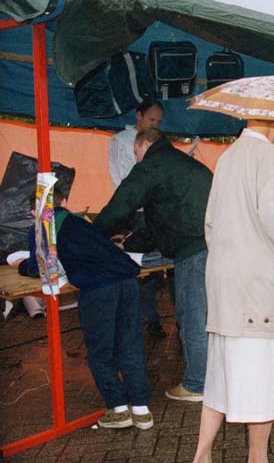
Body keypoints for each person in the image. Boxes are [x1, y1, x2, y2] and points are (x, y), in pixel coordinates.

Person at [192, 120, 274, 463]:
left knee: (219, 378)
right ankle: (258, 458)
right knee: (263, 384)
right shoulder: (273, 159)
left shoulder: (228, 157)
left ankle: (202, 455)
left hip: (224, 285)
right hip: (259, 291)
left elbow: (210, 224)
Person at [19, 185, 152, 429]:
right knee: (129, 344)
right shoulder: (79, 221)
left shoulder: (43, 227)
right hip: (127, 280)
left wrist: (21, 266)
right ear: (65, 202)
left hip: (99, 288)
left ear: (34, 211)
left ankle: (118, 409)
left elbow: (37, 266)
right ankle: (142, 410)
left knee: (100, 351)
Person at [95, 129, 213, 402]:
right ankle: (211, 375)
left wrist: (94, 236)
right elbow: (161, 221)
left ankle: (197, 384)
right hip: (213, 241)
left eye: (136, 154)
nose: (136, 160)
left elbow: (122, 202)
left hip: (193, 250)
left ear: (144, 144)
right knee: (205, 316)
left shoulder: (152, 165)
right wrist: (129, 244)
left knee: (191, 318)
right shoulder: (182, 164)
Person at [107, 98, 167, 339]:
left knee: (160, 266)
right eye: (151, 119)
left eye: (159, 122)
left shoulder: (158, 143)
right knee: (139, 268)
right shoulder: (120, 141)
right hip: (137, 213)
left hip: (157, 211)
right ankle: (147, 319)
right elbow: (120, 179)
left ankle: (160, 319)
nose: (155, 125)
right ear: (138, 116)